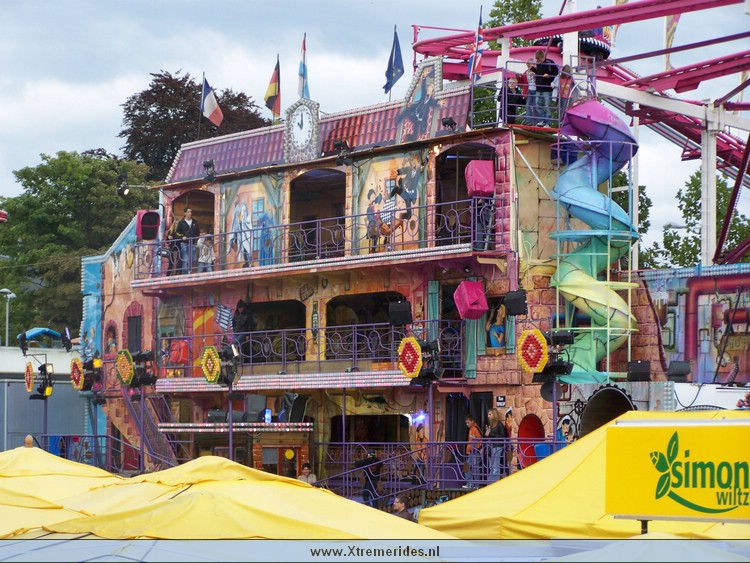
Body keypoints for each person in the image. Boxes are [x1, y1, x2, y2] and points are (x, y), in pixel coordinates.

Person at [534, 49, 559, 127]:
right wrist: (533, 71)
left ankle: (548, 123)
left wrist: (549, 75)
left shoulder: (550, 62)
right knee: (537, 104)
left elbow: (556, 73)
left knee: (547, 105)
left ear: (543, 57)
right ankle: (543, 120)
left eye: (540, 60)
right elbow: (538, 73)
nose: (539, 61)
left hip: (547, 88)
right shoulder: (538, 64)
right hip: (539, 87)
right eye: (538, 60)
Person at [484, 407, 508, 482]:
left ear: (494, 415)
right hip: (491, 447)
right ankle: (491, 482)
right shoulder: (491, 425)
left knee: (495, 466)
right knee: (491, 466)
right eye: (488, 414)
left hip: (497, 446)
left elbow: (503, 436)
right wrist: (487, 434)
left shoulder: (499, 425)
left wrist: (490, 434)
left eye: (490, 414)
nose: (488, 416)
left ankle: (494, 482)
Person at [175, 207, 200, 274]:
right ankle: (185, 274)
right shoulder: (181, 222)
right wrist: (182, 237)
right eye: (188, 212)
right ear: (185, 213)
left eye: (191, 212)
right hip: (184, 243)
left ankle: (189, 272)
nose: (190, 213)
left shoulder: (195, 222)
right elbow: (177, 232)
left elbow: (198, 232)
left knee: (193, 259)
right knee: (185, 260)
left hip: (193, 243)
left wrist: (196, 238)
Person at [462, 414, 483, 489]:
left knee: (472, 467)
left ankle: (473, 484)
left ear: (472, 421)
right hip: (472, 451)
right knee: (472, 467)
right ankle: (473, 484)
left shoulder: (475, 428)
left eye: (468, 422)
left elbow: (481, 438)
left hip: (475, 450)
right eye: (466, 423)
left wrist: (480, 448)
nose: (467, 424)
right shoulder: (471, 429)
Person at [523, 59, 538, 126]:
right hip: (528, 90)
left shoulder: (537, 71)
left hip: (536, 90)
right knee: (528, 105)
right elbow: (521, 80)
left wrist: (536, 75)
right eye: (528, 64)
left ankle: (536, 122)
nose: (528, 65)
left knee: (536, 106)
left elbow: (541, 79)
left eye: (530, 63)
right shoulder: (526, 72)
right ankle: (528, 121)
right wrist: (518, 77)